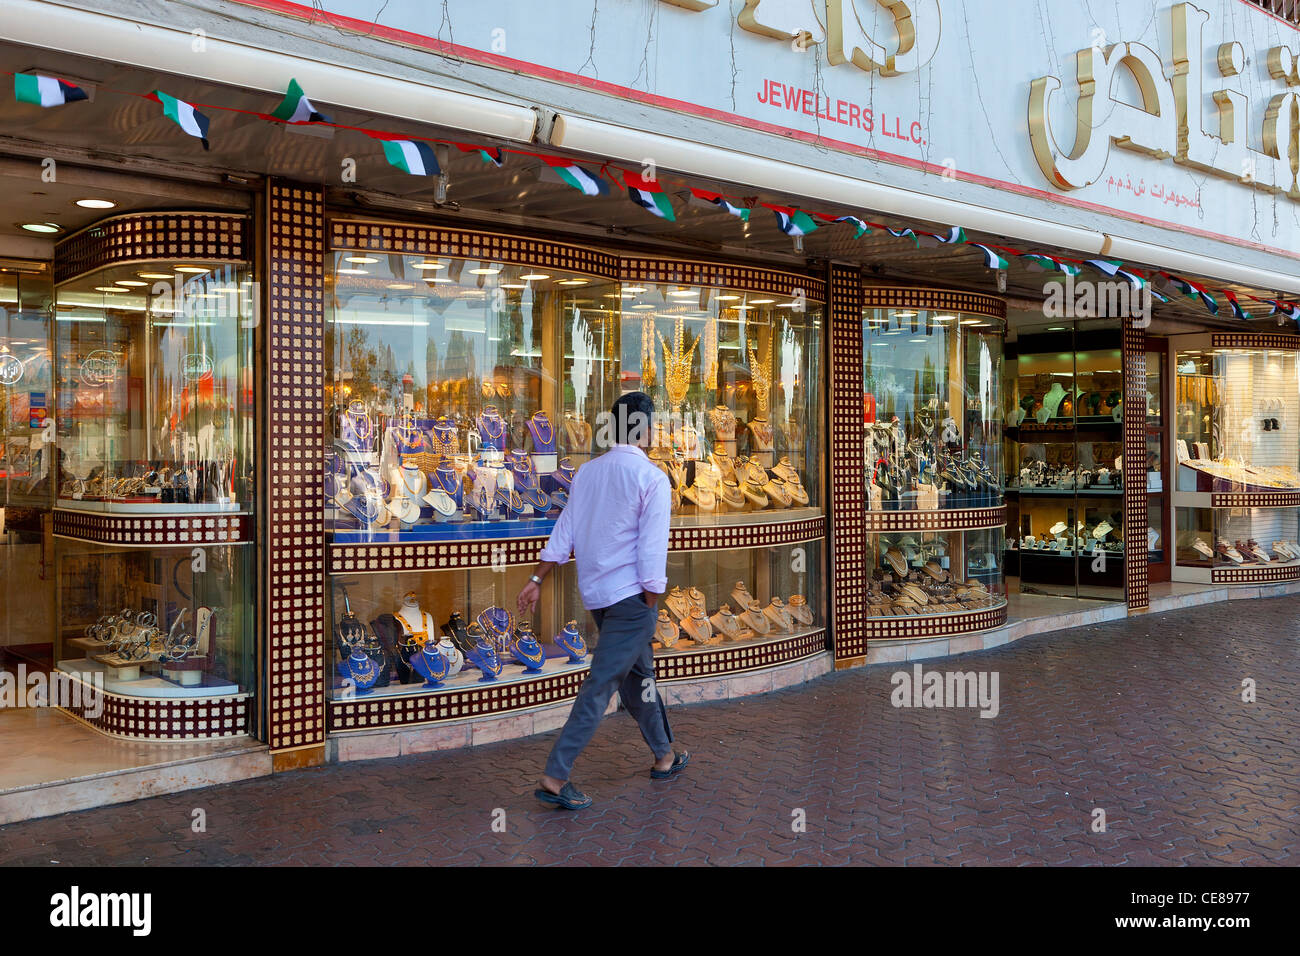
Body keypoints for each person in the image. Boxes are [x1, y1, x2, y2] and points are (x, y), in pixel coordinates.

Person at [517, 391, 689, 810]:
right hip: (632, 601)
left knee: (639, 679)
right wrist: (650, 601)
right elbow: (652, 552)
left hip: (599, 598)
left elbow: (565, 531)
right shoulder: (652, 478)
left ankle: (665, 756)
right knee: (600, 686)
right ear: (645, 429)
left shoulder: (587, 473)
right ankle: (556, 776)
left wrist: (538, 577)